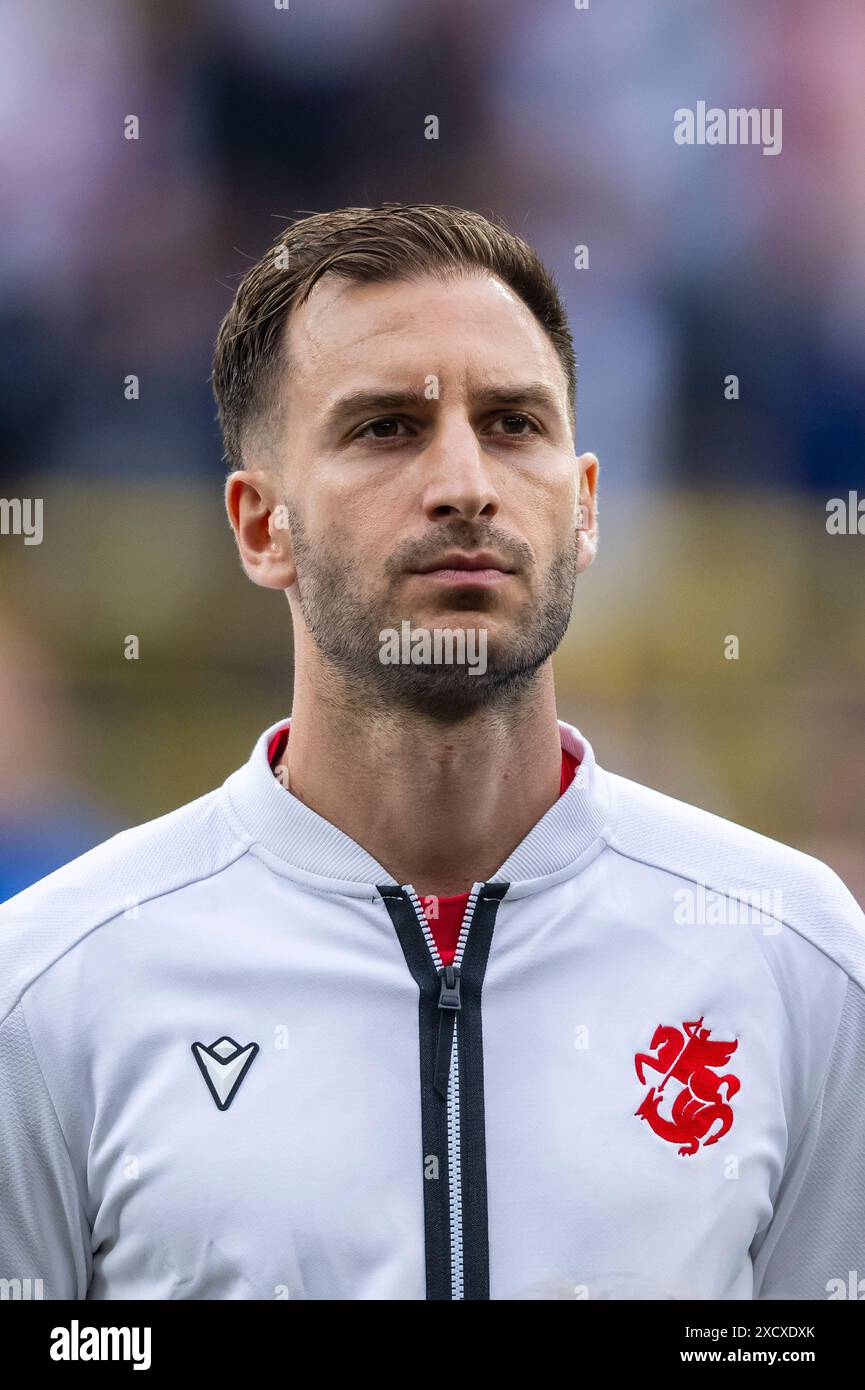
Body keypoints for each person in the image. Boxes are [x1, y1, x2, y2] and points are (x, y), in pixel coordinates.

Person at [1, 203, 862, 1301]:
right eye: (384, 430)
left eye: (512, 424)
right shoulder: (46, 989)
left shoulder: (798, 960)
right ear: (261, 526)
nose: (465, 482)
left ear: (585, 508)